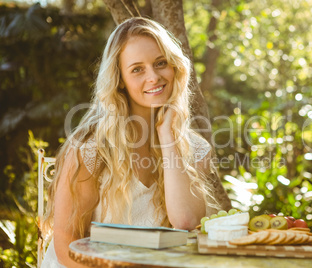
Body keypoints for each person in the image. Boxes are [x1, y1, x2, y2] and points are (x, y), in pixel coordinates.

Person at [41, 17, 217, 267]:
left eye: (160, 63)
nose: (154, 77)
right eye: (137, 69)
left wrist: (168, 136)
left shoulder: (194, 148)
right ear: (120, 79)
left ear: (175, 67)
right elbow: (66, 247)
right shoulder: (90, 149)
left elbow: (186, 222)